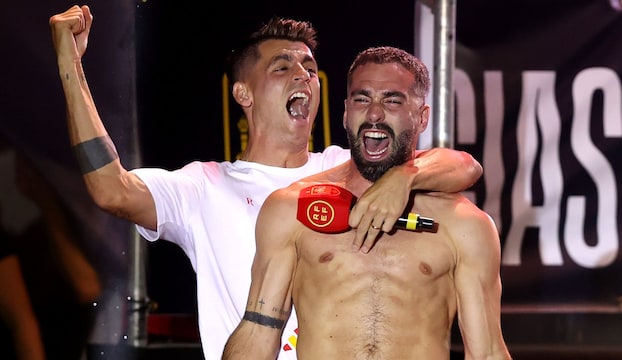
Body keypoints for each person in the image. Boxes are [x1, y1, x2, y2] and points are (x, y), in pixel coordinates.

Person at [49, 5, 483, 359]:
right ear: (244, 94)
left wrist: (405, 177)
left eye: (310, 68)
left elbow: (463, 166)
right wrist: (70, 67)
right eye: (283, 67)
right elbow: (110, 188)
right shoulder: (204, 186)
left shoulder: (348, 166)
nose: (304, 76)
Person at [223, 46, 511, 359]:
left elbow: (487, 353)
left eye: (392, 100)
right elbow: (259, 329)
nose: (374, 113)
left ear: (422, 116)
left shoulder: (464, 224)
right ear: (346, 112)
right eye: (362, 99)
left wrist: (404, 179)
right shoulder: (292, 208)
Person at [0, 136, 102, 360]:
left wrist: (45, 197)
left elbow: (88, 289)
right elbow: (22, 324)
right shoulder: (27, 238)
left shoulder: (71, 228)